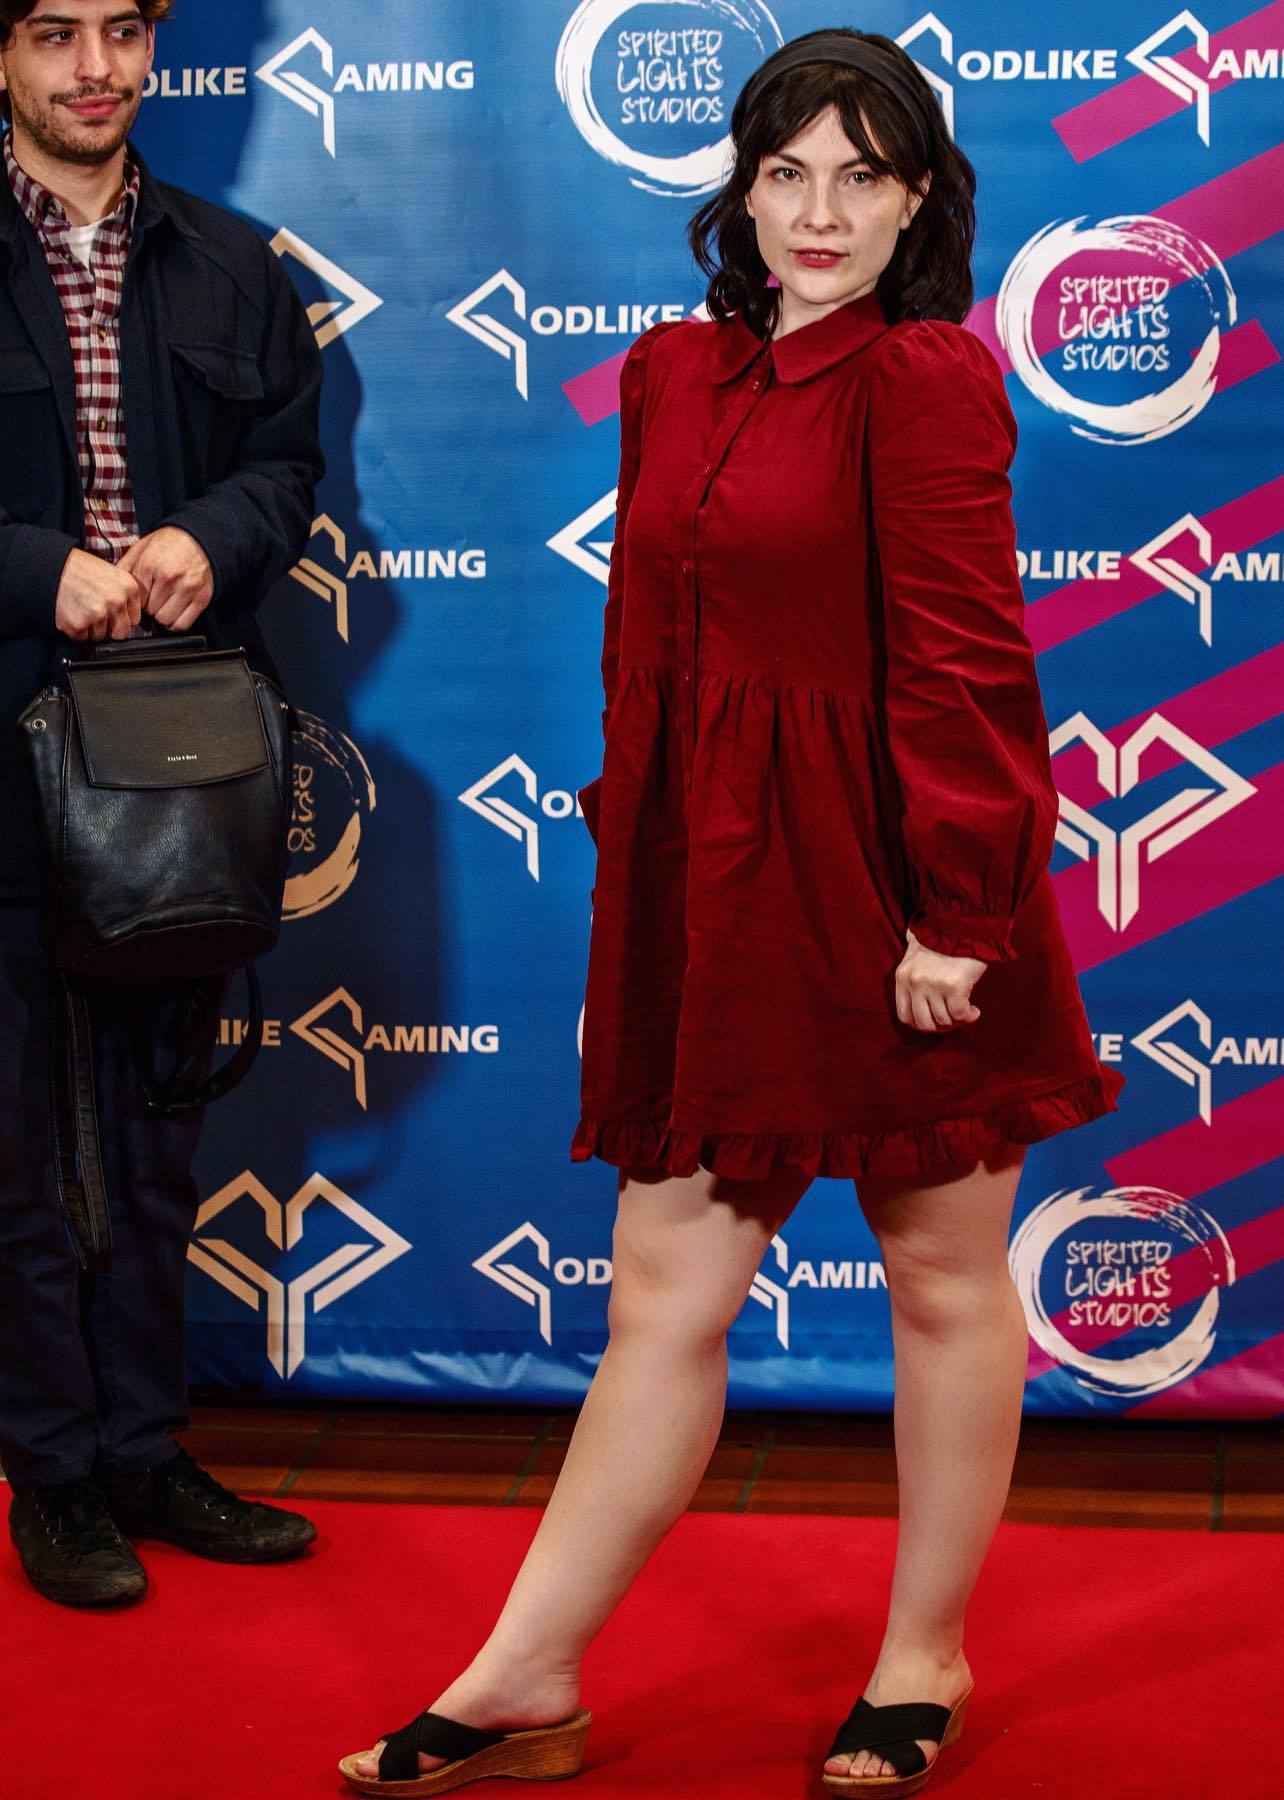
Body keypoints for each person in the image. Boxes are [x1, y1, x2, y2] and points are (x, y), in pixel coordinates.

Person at [341, 26, 1125, 1797]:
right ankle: (526, 1676)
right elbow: (653, 652)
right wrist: (648, 858)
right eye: (787, 173)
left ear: (918, 203)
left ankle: (922, 1657)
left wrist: (962, 912)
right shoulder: (671, 371)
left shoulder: (923, 379)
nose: (820, 211)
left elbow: (965, 663)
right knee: (662, 1293)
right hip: (721, 895)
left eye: (862, 175)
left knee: (941, 1277)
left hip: (901, 893)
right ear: (743, 193)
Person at [0, 0, 324, 1606]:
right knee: (18, 1151)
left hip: (185, 761)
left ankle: (142, 1448)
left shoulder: (234, 260)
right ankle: (52, 1473)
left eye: (122, 30)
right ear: (2, 53)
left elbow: (287, 466)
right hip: (5, 759)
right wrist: (30, 565)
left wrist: (215, 534)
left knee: (152, 1139)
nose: (95, 69)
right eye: (53, 32)